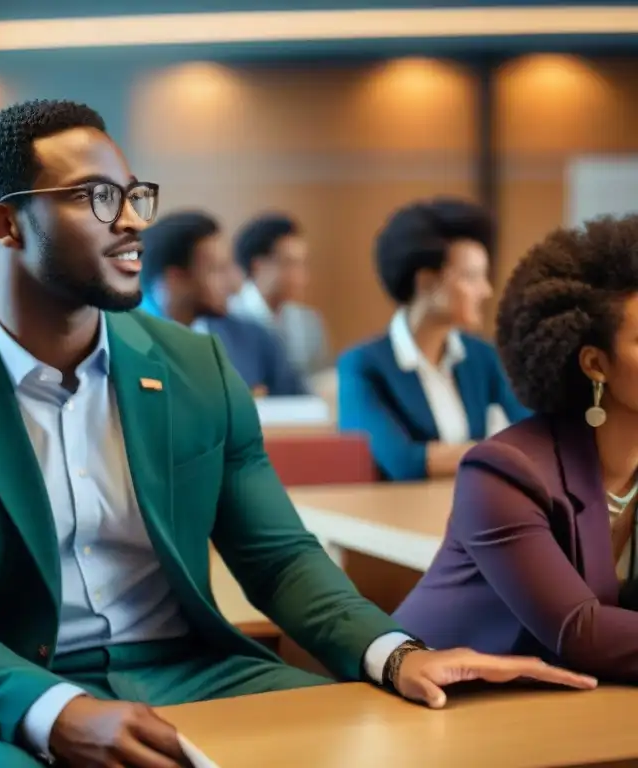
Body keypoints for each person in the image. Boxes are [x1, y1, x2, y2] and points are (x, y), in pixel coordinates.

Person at [0, 100, 595, 768]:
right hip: (0, 697)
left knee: (387, 744)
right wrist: (60, 714)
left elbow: (276, 557)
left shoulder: (194, 366)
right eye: (96, 197)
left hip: (192, 669)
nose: (133, 220)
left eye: (135, 195)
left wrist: (393, 652)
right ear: (6, 224)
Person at [395, 214, 638, 681]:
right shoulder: (503, 470)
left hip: (562, 703)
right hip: (433, 705)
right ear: (595, 363)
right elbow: (581, 631)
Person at [337, 198, 530, 481]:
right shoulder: (362, 365)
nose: (486, 290)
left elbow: (536, 434)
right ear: (426, 281)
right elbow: (403, 461)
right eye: (471, 277)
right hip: (392, 518)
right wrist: (505, 454)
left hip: (470, 511)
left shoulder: (482, 356)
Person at [139, 210, 306, 396]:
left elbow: (305, 408)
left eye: (230, 266)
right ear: (175, 281)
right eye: (217, 270)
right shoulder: (126, 347)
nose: (234, 283)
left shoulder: (256, 339)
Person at [230, 213, 331, 379]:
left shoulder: (310, 321)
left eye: (303, 264)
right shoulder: (227, 319)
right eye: (290, 264)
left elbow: (320, 381)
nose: (301, 276)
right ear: (258, 266)